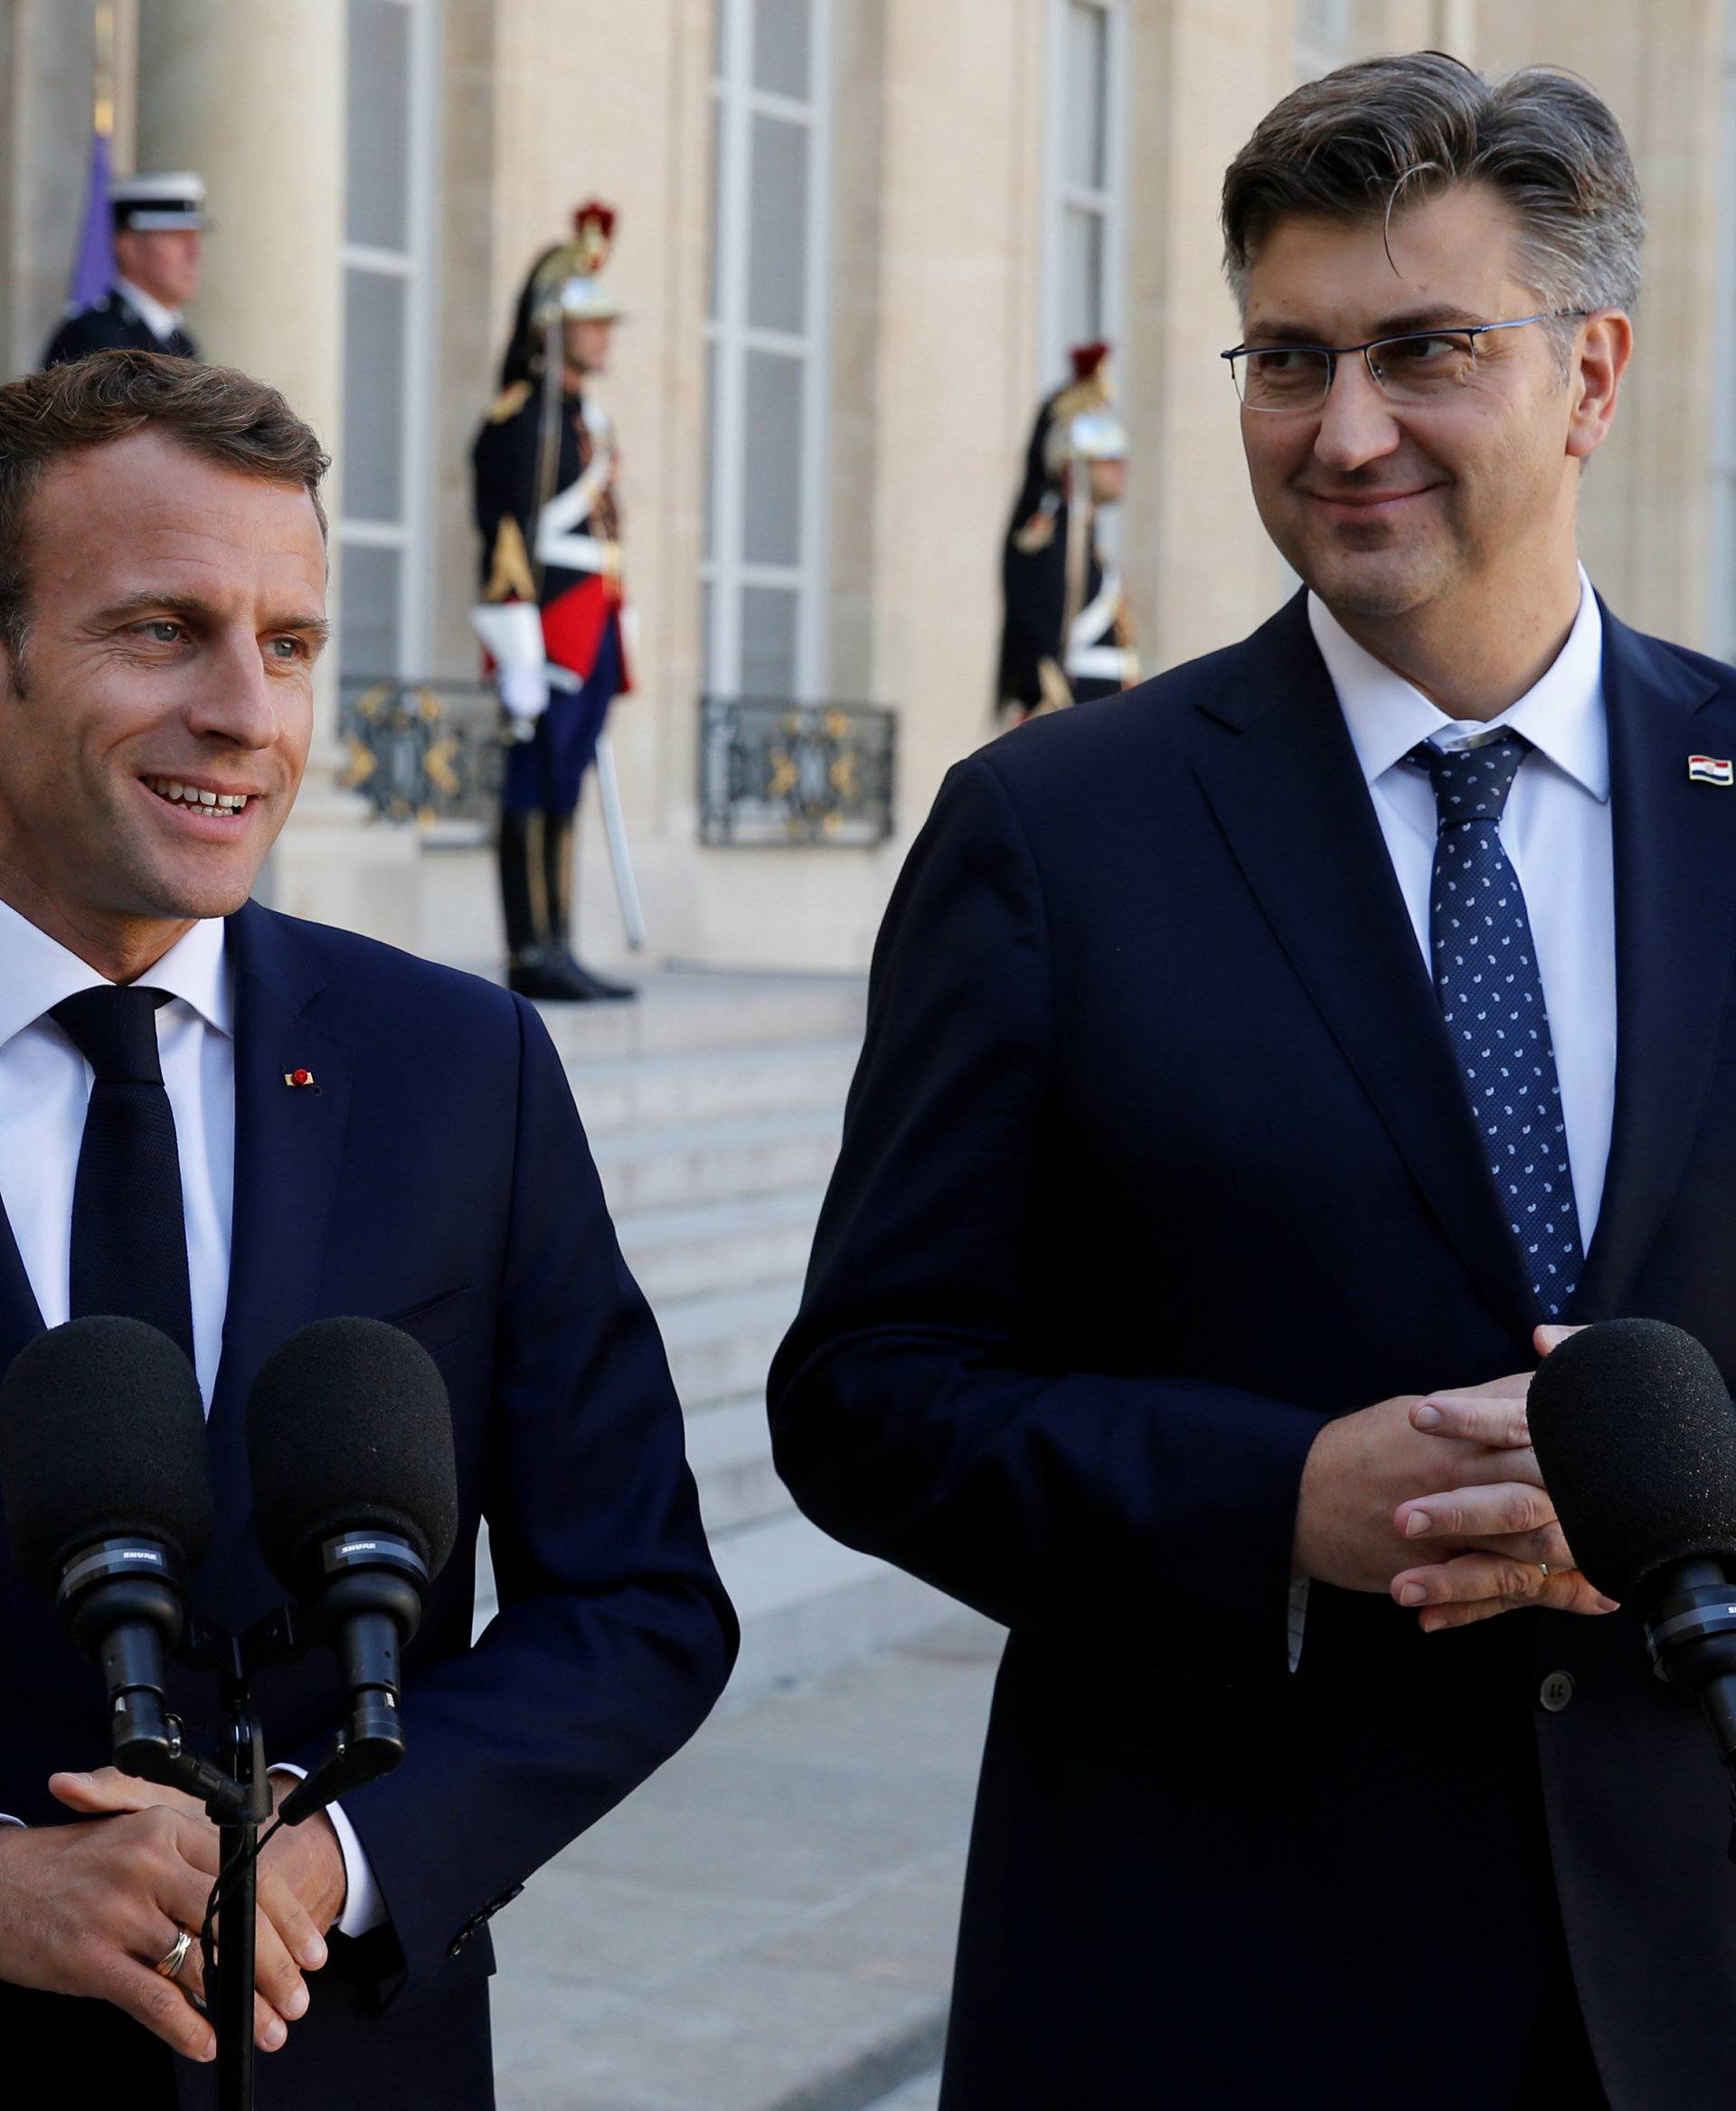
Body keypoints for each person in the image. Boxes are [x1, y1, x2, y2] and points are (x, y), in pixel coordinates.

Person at [770, 52, 1736, 2110]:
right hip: (1215, 1976)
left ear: (1592, 371)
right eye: (1287, 359)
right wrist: (1275, 1496)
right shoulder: (1056, 832)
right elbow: (867, 1389)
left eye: (1423, 349)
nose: (1347, 428)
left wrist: (1694, 1483)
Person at [0, 350, 735, 2104]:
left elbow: (635, 1602)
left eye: (292, 643)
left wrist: (336, 1861)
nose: (249, 712)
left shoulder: (457, 1068)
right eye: (162, 630)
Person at [471, 203, 637, 1004]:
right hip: (548, 620)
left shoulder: (586, 421)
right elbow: (504, 535)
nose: (604, 334)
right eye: (590, 321)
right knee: (532, 779)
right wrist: (517, 645)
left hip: (591, 614)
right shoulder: (522, 419)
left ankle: (561, 938)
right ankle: (529, 946)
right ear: (552, 328)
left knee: (565, 780)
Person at [995, 344, 1138, 721]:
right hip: (1073, 714)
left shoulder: (1088, 539)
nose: (1121, 467)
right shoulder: (1047, 535)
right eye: (1107, 456)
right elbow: (1039, 644)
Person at [42, 173, 204, 368]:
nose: (193, 253)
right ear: (130, 248)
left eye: (194, 238)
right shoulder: (92, 340)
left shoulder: (181, 342)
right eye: (177, 237)